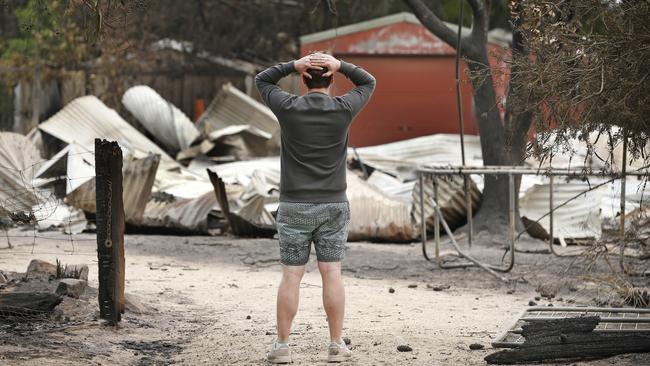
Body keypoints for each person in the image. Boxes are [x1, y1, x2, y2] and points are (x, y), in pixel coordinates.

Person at [255, 52, 375, 363]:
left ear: (303, 79)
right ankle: (336, 344)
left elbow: (262, 79)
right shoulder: (344, 108)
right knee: (332, 272)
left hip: (294, 205)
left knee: (291, 277)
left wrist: (291, 65)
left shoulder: (288, 107)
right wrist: (342, 65)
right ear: (332, 78)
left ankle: (282, 346)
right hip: (333, 204)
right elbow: (368, 81)